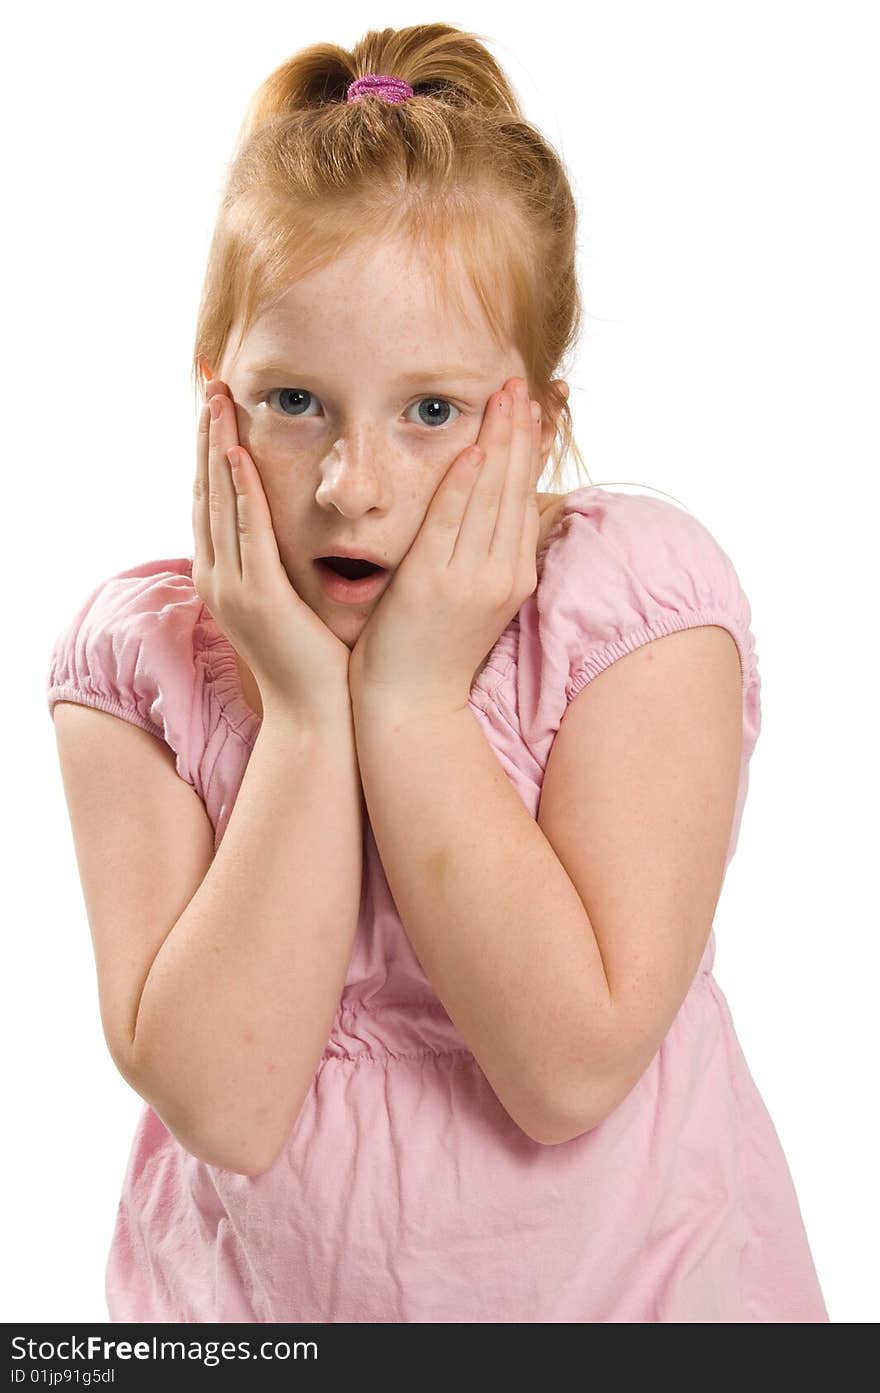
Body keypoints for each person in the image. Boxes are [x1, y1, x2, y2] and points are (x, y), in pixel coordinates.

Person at [46, 23, 829, 1323]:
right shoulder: (141, 673)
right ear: (213, 410)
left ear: (539, 426)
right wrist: (303, 711)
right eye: (295, 401)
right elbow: (229, 1105)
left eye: (431, 411)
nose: (355, 485)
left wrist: (409, 700)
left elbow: (569, 1067)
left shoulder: (635, 618)